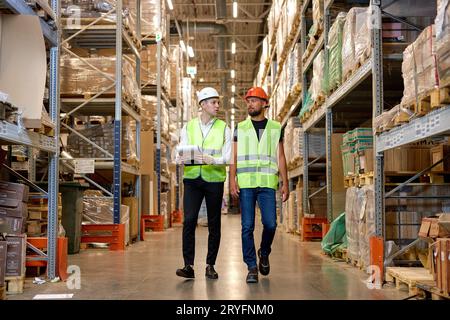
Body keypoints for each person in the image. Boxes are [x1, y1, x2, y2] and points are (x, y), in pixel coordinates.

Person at [229, 86, 289, 283]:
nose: (250, 104)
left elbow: (280, 156)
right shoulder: (240, 127)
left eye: (254, 100)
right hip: (246, 183)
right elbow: (234, 156)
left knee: (270, 224)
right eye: (248, 100)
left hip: (267, 183)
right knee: (247, 226)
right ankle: (251, 267)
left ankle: (264, 252)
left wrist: (285, 183)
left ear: (264, 103)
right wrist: (232, 180)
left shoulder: (275, 127)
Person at [175, 87, 231, 280]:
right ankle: (188, 265)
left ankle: (210, 265)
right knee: (189, 220)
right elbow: (181, 149)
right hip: (192, 178)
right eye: (213, 102)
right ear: (203, 105)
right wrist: (179, 158)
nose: (217, 105)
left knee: (214, 223)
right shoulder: (188, 126)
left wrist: (212, 160)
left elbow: (228, 156)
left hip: (214, 179)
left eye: (217, 102)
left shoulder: (224, 127)